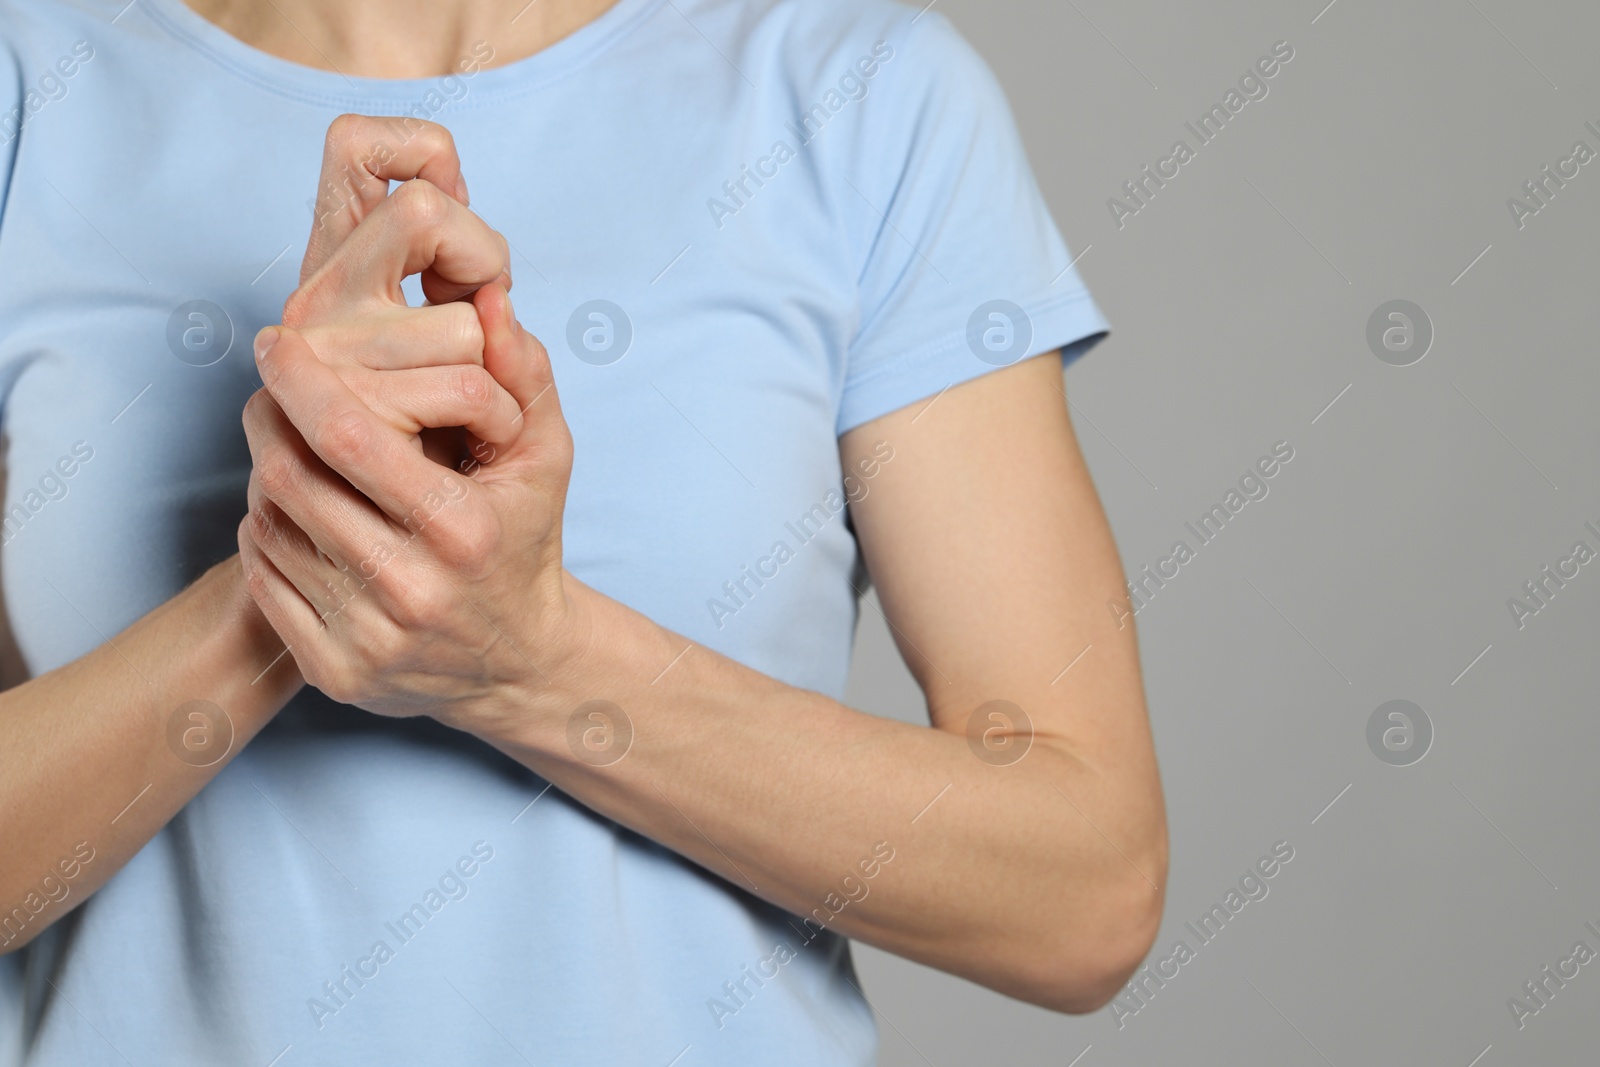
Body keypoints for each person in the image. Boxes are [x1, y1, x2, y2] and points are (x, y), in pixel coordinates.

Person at [0, 0, 1168, 1062]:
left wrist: (526, 654)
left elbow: (1083, 888)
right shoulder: (29, 78)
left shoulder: (858, 95)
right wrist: (326, 540)